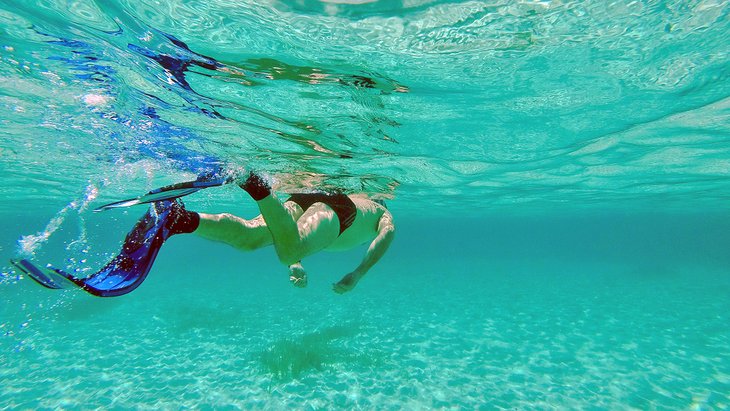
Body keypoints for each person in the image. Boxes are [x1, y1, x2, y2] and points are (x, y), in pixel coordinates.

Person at [150, 173, 395, 294]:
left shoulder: (369, 202)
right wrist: (358, 274)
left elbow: (296, 231)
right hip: (341, 209)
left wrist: (296, 265)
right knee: (289, 253)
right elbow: (387, 234)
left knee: (249, 237)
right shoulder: (380, 210)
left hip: (304, 195)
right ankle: (258, 187)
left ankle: (179, 219)